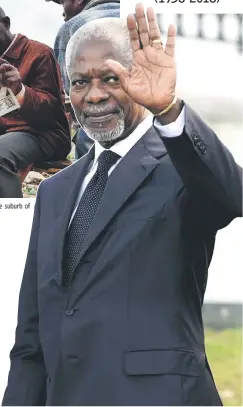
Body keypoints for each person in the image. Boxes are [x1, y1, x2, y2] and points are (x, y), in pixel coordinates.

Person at [2, 4, 242, 405]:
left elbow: (231, 195)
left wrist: (168, 110)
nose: (93, 95)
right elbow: (31, 341)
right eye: (79, 82)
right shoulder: (53, 193)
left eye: (110, 78)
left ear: (136, 79)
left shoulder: (180, 167)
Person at [0, 7, 70, 198]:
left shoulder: (39, 53)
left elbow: (53, 111)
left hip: (44, 134)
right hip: (7, 132)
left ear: (5, 24)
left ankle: (11, 224)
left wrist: (20, 91)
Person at [47, 0, 120, 158]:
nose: (63, 13)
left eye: (62, 3)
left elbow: (73, 90)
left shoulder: (72, 29)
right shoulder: (148, 18)